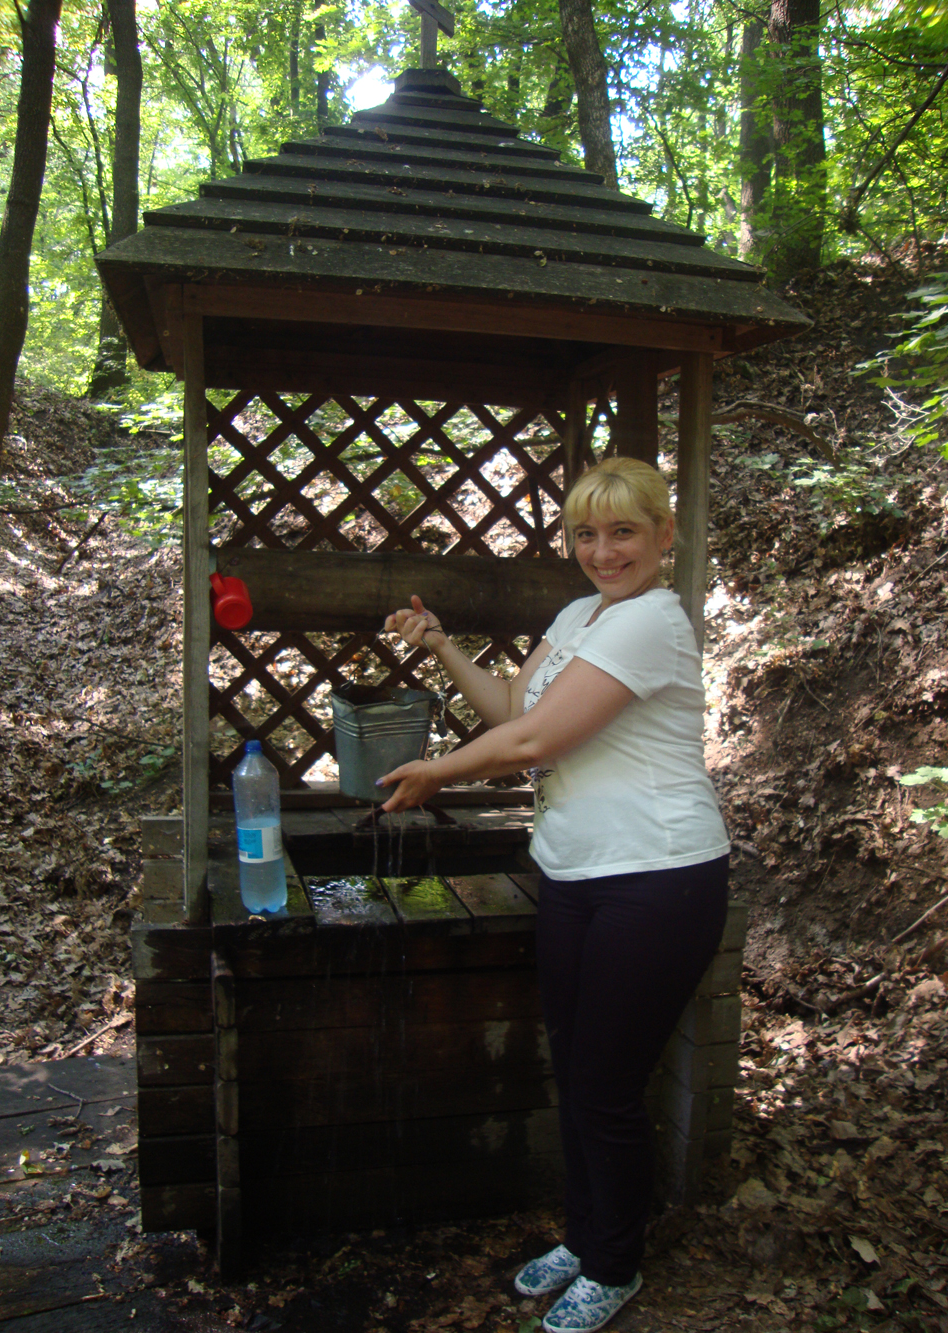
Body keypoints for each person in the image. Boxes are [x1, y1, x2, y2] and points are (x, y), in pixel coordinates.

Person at [379, 456, 730, 1333]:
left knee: (607, 1085)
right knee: (577, 1074)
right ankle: (587, 1235)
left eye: (623, 532)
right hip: (575, 869)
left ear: (664, 535)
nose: (603, 551)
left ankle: (615, 1265)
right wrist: (442, 645)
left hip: (658, 874)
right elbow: (509, 706)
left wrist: (435, 771)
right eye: (586, 533)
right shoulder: (580, 613)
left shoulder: (652, 621)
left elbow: (532, 742)